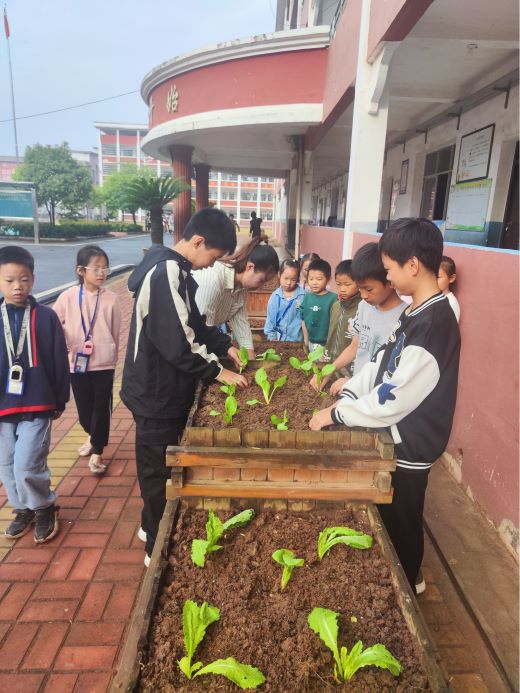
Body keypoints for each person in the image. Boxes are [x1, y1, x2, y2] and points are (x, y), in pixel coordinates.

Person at [309, 218, 461, 595]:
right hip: (394, 436)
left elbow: (393, 397)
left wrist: (336, 413)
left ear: (413, 265)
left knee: (403, 520)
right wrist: (348, 394)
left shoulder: (436, 323)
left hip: (410, 444)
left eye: (390, 268)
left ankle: (409, 586)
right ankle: (405, 577)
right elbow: (379, 362)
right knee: (390, 515)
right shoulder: (415, 311)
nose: (388, 277)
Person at [120, 208, 247, 566]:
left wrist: (225, 346)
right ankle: (154, 551)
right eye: (214, 256)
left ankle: (150, 526)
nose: (212, 265)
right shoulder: (166, 272)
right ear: (198, 241)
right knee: (157, 468)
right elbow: (178, 342)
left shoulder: (178, 270)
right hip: (155, 392)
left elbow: (194, 323)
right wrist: (218, 373)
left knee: (160, 462)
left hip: (163, 388)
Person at [0, 246, 69, 543]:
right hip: (4, 406)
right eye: (10, 280)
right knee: (7, 464)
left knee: (27, 463)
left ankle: (44, 506)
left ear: (33, 279)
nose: (18, 287)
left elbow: (58, 359)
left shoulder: (46, 316)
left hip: (38, 403)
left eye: (25, 279)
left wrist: (60, 399)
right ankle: (22, 508)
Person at [53, 245, 121, 475]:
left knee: (101, 407)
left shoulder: (111, 298)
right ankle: (93, 436)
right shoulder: (67, 297)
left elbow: (114, 330)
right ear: (81, 270)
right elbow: (56, 326)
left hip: (104, 363)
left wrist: (111, 354)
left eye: (105, 268)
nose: (102, 273)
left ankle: (97, 452)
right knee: (84, 409)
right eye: (97, 268)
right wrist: (65, 349)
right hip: (77, 363)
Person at [324, 243, 407, 394]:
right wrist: (329, 370)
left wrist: (353, 382)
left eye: (368, 289)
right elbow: (355, 346)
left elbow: (393, 371)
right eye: (360, 288)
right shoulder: (364, 307)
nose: (363, 295)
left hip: (376, 395)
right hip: (356, 389)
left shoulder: (404, 317)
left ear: (389, 281)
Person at [194, 239, 279, 358]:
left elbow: (240, 321)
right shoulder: (213, 279)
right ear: (250, 267)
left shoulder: (242, 288)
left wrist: (250, 358)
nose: (261, 286)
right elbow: (203, 329)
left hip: (204, 338)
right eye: (261, 280)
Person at [312, 259, 360, 385]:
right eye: (339, 284)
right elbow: (331, 335)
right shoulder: (335, 306)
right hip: (330, 368)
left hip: (349, 374)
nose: (342, 289)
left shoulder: (362, 309)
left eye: (347, 284)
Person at [299, 259, 337, 352]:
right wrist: (306, 340)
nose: (314, 282)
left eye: (319, 279)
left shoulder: (334, 299)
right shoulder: (307, 297)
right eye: (311, 279)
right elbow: (303, 319)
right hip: (311, 343)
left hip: (328, 345)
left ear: (328, 279)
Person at [264, 259, 305, 342]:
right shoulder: (275, 297)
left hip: (298, 343)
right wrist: (272, 338)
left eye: (293, 279)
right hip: (278, 342)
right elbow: (270, 321)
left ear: (297, 279)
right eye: (286, 278)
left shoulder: (304, 296)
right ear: (279, 275)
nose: (289, 283)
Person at [437, 255, 460, 322]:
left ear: (451, 278)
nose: (432, 280)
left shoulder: (451, 303)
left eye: (437, 277)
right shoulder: (429, 297)